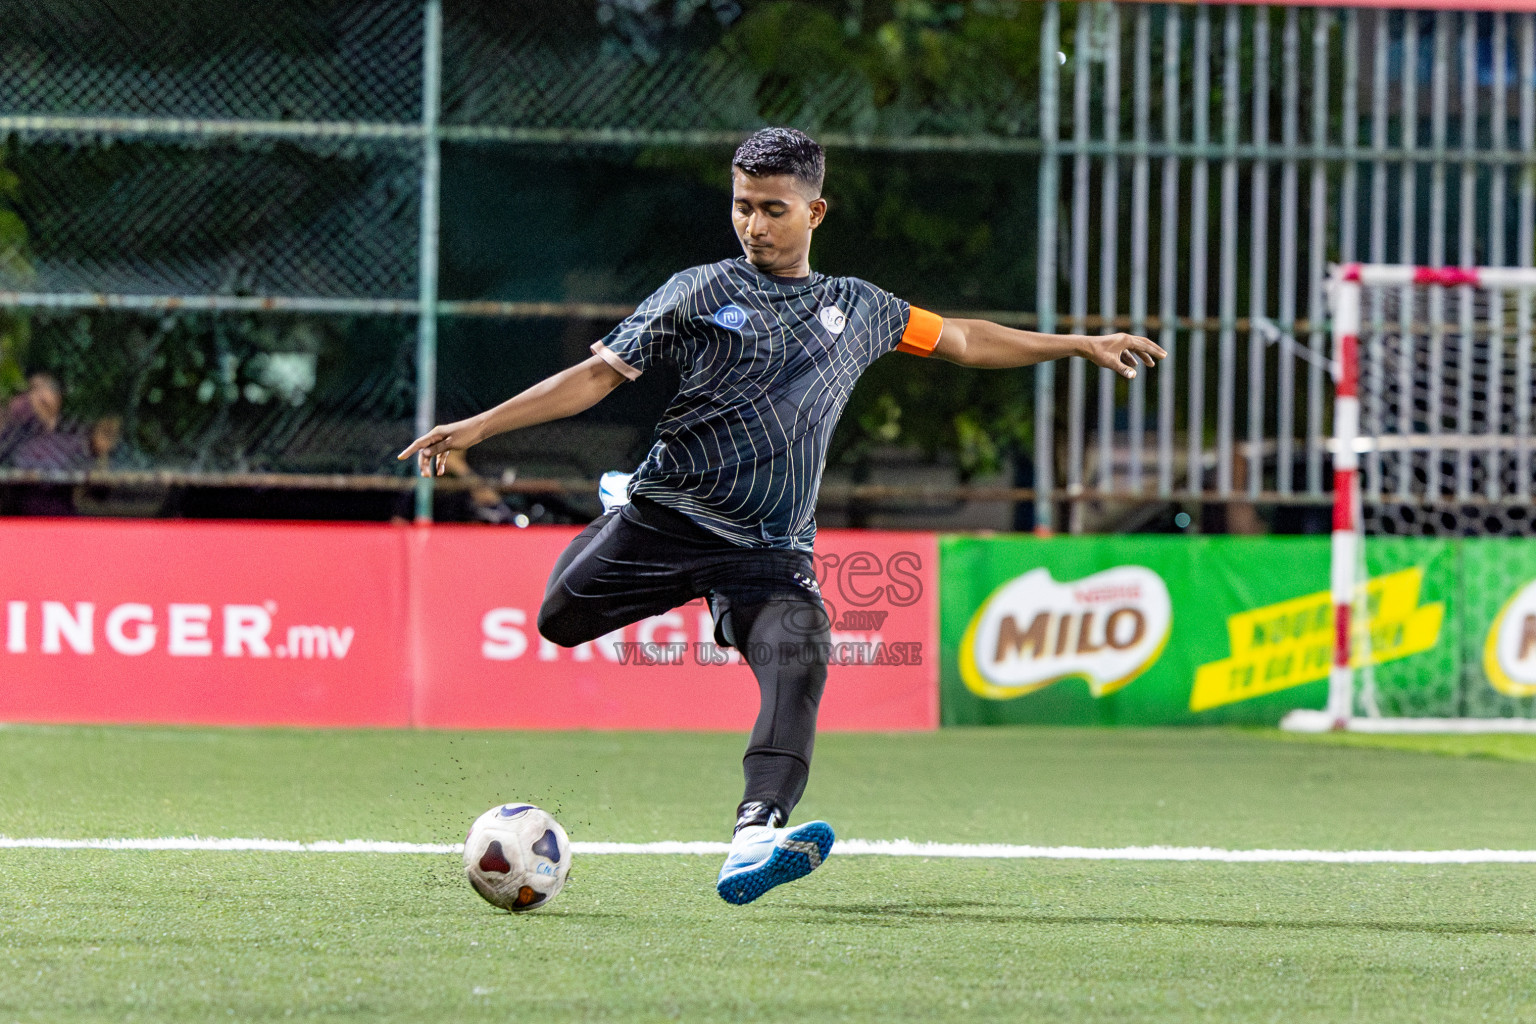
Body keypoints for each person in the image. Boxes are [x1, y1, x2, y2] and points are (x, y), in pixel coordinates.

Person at [399, 127, 1165, 904]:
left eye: (773, 209)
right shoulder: (698, 290)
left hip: (767, 551)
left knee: (801, 660)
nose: (754, 225)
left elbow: (965, 338)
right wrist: (480, 426)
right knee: (559, 619)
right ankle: (619, 498)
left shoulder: (862, 309)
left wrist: (1078, 344)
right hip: (667, 517)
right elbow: (599, 377)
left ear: (815, 212)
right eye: (742, 207)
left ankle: (755, 835)